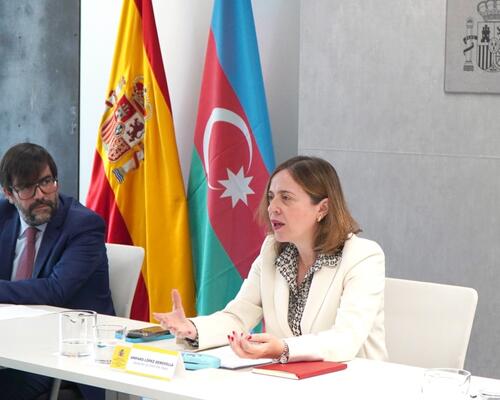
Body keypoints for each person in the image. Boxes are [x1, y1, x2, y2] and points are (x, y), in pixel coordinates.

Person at [154, 155, 388, 364]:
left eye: (286, 198)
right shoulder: (272, 251)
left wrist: (283, 349)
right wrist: (192, 329)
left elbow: (345, 339)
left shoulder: (363, 256)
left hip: (352, 383)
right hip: (289, 382)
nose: (272, 208)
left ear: (322, 208)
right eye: (271, 197)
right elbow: (238, 317)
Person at [0, 143, 114, 400]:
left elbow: (55, 290)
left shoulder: (84, 225)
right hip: (12, 341)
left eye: (46, 182)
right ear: (9, 193)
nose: (41, 195)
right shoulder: (3, 216)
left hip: (67, 354)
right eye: (27, 187)